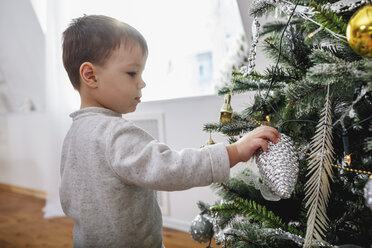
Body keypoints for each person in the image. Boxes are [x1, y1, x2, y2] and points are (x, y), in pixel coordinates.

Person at [60, 14, 280, 248]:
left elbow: (68, 199)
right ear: (90, 75)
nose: (141, 82)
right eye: (132, 73)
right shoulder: (115, 133)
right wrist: (234, 151)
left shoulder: (73, 134)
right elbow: (171, 168)